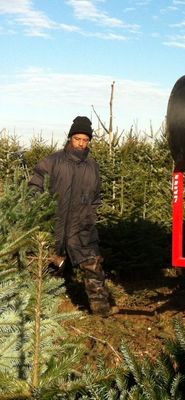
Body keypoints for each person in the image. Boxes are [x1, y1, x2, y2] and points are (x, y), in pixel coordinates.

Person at [29, 116, 113, 317]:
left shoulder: (92, 166)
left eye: (85, 140)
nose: (81, 144)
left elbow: (96, 196)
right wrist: (40, 210)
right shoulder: (52, 161)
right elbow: (34, 185)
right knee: (46, 266)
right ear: (70, 138)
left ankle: (101, 311)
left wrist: (90, 216)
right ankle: (39, 311)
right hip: (53, 225)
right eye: (78, 139)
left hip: (82, 227)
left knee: (93, 266)